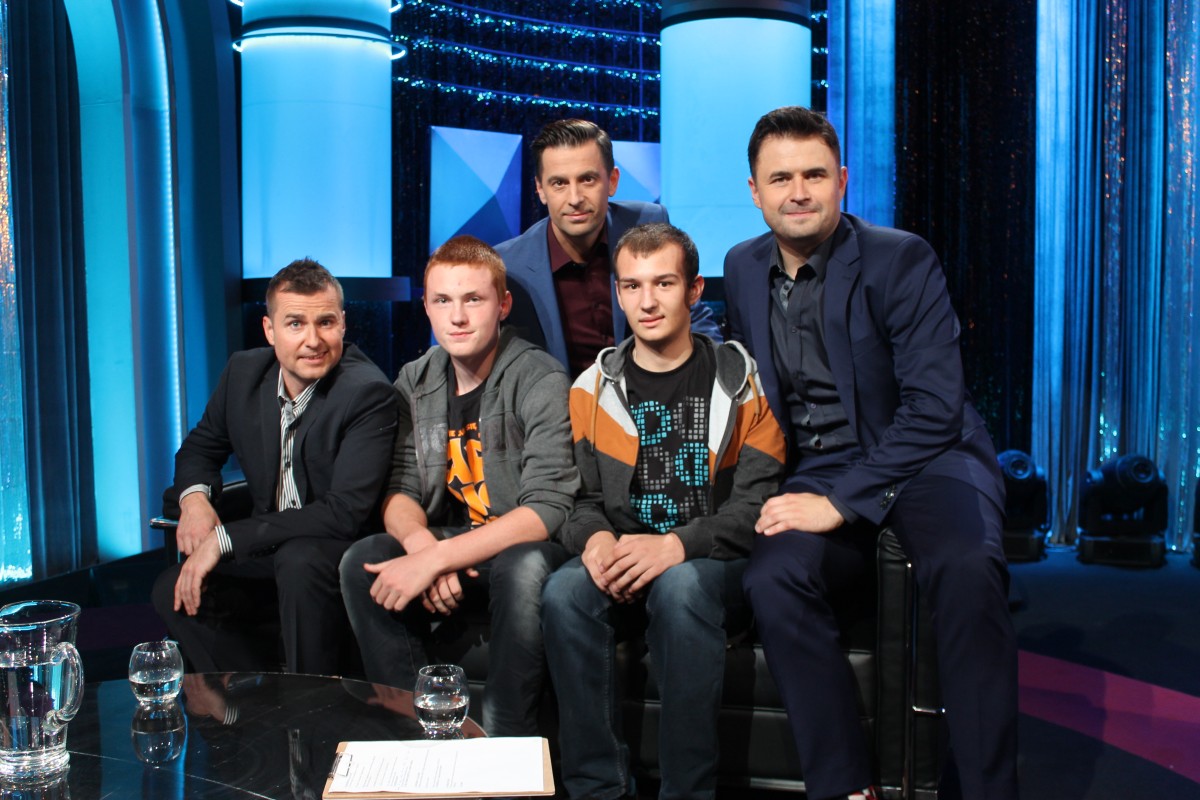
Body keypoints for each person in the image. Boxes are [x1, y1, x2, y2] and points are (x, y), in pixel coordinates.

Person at [723, 106, 1018, 800]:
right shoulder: (740, 266)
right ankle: (846, 786)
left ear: (843, 181)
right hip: (817, 466)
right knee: (773, 578)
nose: (799, 191)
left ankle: (984, 789)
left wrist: (840, 501)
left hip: (926, 454)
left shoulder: (900, 257)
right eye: (781, 178)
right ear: (755, 191)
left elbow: (935, 406)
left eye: (815, 175)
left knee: (968, 568)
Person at [542, 223, 785, 800]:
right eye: (632, 286)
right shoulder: (589, 389)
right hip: (625, 555)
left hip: (709, 562)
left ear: (694, 290)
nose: (647, 301)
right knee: (564, 591)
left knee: (680, 588)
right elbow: (579, 501)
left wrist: (677, 545)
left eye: (664, 283)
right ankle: (597, 789)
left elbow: (757, 505)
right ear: (619, 293)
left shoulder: (742, 381)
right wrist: (595, 541)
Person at [339, 235, 579, 737]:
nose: (458, 317)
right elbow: (399, 489)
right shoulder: (415, 379)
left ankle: (506, 739)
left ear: (503, 305)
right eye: (443, 301)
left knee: (523, 565)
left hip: (521, 548)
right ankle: (418, 732)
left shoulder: (538, 377)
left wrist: (436, 559)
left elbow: (547, 509)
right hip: (453, 544)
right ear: (426, 307)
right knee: (363, 559)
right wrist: (421, 547)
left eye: (474, 299)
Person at [152, 259, 398, 675]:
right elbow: (198, 449)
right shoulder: (243, 374)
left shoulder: (367, 393)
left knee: (299, 560)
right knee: (172, 590)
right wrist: (194, 502)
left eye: (325, 322)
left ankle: (310, 702)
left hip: (337, 553)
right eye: (295, 324)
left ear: (343, 324)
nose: (313, 340)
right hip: (269, 549)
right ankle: (254, 702)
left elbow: (343, 513)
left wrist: (225, 539)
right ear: (269, 330)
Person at [495, 118, 721, 376]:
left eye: (587, 179)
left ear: (612, 181)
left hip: (652, 391)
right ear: (540, 189)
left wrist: (721, 372)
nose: (575, 199)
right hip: (562, 399)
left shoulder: (646, 223)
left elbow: (691, 315)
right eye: (559, 183)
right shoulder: (510, 265)